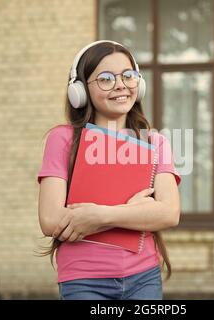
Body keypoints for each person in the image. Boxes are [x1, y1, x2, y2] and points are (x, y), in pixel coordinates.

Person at [36, 40, 181, 300]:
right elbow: (50, 220)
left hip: (143, 277)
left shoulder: (156, 142)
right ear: (79, 90)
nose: (120, 85)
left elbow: (169, 213)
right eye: (105, 79)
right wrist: (137, 210)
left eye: (128, 76)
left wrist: (100, 216)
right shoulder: (63, 139)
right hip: (84, 280)